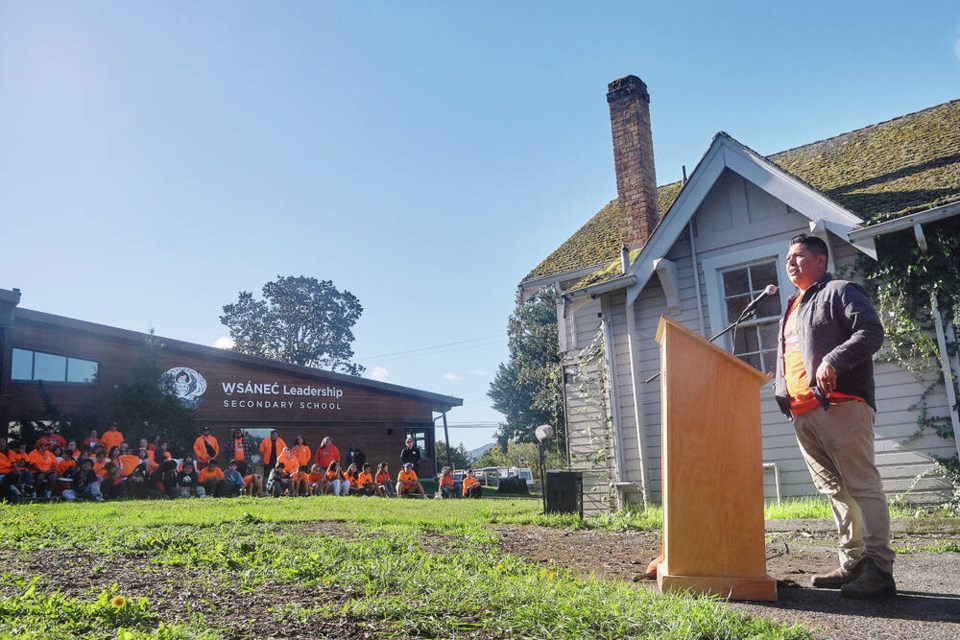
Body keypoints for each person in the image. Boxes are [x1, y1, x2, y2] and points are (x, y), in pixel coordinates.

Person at [775, 233, 894, 599]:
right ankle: (853, 563)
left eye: (798, 256)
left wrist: (833, 360)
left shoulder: (840, 290)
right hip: (802, 412)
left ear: (821, 261)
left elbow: (872, 332)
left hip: (840, 404)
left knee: (861, 485)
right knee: (836, 491)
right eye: (787, 259)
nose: (790, 263)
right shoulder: (793, 305)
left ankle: (880, 569)